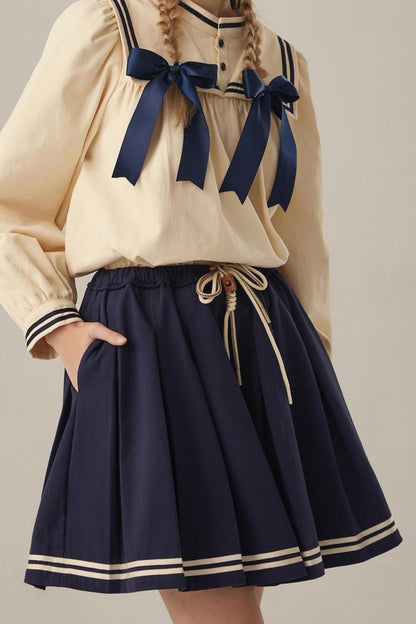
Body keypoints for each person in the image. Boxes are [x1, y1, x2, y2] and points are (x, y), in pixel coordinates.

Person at [0, 0, 403, 622]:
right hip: (150, 338)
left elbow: (300, 229)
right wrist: (60, 326)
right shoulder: (107, 28)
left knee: (235, 593)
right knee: (218, 607)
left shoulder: (282, 60)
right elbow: (12, 198)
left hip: (264, 331)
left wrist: (311, 356)